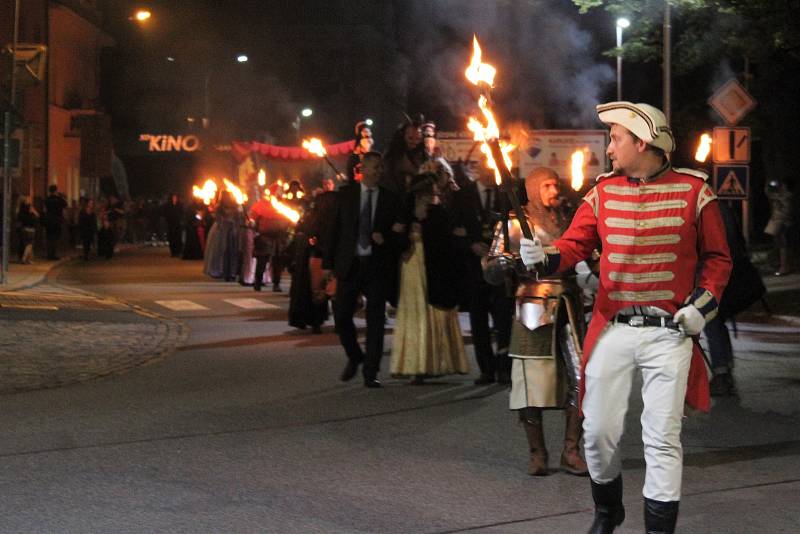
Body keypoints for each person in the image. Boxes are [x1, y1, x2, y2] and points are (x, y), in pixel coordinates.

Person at [519, 102, 731, 533]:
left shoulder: (696, 192)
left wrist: (700, 308)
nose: (609, 149)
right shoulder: (601, 193)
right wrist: (542, 257)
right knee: (596, 433)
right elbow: (575, 245)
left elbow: (719, 260)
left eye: (615, 139)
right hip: (613, 328)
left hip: (669, 333)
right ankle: (606, 511)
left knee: (661, 438)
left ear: (641, 140)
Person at [484, 167, 589, 477]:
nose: (554, 190)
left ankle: (571, 450)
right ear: (531, 190)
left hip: (570, 306)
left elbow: (587, 256)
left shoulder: (571, 221)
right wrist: (502, 261)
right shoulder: (515, 225)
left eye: (556, 184)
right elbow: (490, 268)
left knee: (583, 380)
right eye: (547, 185)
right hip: (533, 307)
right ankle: (537, 452)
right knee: (530, 385)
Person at [390, 124, 469, 383]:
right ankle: (417, 363)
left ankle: (439, 361)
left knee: (436, 306)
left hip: (436, 257)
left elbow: (450, 223)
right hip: (414, 258)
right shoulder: (410, 199)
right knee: (416, 309)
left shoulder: (444, 201)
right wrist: (407, 227)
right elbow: (401, 222)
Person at [323, 151, 401, 388]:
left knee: (375, 320)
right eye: (375, 166)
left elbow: (399, 233)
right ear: (363, 168)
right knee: (342, 317)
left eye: (381, 167)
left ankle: (371, 371)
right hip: (351, 263)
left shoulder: (390, 199)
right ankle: (356, 356)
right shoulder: (346, 195)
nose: (379, 171)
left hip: (376, 266)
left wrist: (384, 237)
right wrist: (328, 265)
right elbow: (333, 230)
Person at [457, 164, 513, 385]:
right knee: (478, 321)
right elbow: (453, 229)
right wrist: (470, 244)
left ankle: (504, 367)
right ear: (478, 168)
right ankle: (486, 369)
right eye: (486, 165)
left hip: (501, 268)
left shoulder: (505, 194)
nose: (490, 170)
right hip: (474, 270)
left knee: (503, 321)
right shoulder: (463, 195)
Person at [249, 185, 290, 291]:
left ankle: (276, 283)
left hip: (280, 237)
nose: (280, 194)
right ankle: (258, 282)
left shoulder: (284, 205)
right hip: (265, 237)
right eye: (278, 192)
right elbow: (253, 218)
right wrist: (253, 223)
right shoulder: (261, 205)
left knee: (278, 262)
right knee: (262, 260)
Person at [764, 179, 794, 276]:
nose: (781, 186)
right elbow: (770, 195)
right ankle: (783, 265)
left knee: (783, 246)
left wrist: (768, 186)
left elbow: (770, 195)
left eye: (783, 185)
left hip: (783, 223)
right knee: (781, 245)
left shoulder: (786, 196)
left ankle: (784, 268)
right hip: (781, 222)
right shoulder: (783, 195)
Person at [43, 184, 67, 260]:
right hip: (57, 220)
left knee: (49, 237)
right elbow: (65, 204)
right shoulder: (59, 199)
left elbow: (44, 209)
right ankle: (54, 254)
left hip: (49, 220)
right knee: (56, 238)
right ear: (56, 190)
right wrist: (61, 196)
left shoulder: (47, 199)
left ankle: (49, 254)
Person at [16, 196, 39, 264]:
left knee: (24, 244)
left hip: (23, 228)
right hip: (30, 227)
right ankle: (24, 258)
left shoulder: (19, 209)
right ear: (26, 201)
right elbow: (37, 215)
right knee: (30, 244)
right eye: (28, 199)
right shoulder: (29, 207)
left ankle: (29, 259)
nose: (30, 200)